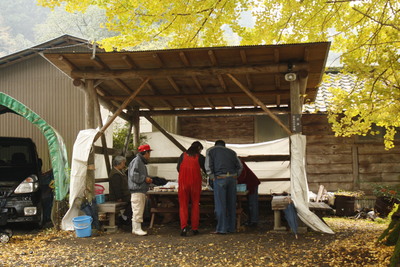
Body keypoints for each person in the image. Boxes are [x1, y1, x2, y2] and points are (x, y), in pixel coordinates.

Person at [205, 140, 243, 234]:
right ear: (224, 145)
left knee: (220, 205)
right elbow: (240, 166)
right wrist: (235, 176)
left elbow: (208, 166)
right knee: (231, 204)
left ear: (215, 144)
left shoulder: (210, 151)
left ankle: (222, 229)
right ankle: (231, 228)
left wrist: (212, 177)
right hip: (232, 179)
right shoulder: (232, 152)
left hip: (220, 178)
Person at [176, 141, 206, 236]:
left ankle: (184, 227)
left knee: (183, 205)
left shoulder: (183, 155)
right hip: (195, 184)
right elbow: (206, 170)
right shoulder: (200, 157)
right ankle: (194, 228)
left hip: (183, 184)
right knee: (195, 205)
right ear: (199, 149)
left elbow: (178, 168)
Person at [128, 144, 153, 236]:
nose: (149, 155)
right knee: (138, 209)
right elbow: (134, 175)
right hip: (137, 189)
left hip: (138, 189)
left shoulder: (139, 161)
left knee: (137, 209)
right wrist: (144, 179)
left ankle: (136, 228)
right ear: (145, 153)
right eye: (149, 153)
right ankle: (137, 228)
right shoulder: (137, 161)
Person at [108, 156, 132, 224]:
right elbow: (116, 188)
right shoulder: (115, 174)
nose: (124, 165)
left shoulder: (120, 172)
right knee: (135, 199)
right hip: (119, 196)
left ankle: (126, 216)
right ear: (119, 163)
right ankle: (125, 216)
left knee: (135, 198)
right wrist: (119, 197)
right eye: (123, 163)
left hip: (124, 194)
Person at [237, 159, 260, 227]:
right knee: (251, 203)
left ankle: (254, 221)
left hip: (252, 183)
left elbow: (243, 175)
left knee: (252, 203)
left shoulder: (239, 163)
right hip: (248, 183)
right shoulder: (238, 162)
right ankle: (251, 220)